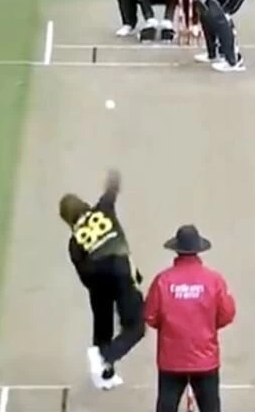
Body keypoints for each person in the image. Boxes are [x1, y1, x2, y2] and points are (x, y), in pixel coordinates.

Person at [58, 169, 145, 390]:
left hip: (97, 280)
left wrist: (99, 289)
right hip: (119, 270)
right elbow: (110, 193)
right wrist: (113, 181)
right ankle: (105, 356)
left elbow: (84, 275)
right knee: (135, 327)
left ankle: (104, 373)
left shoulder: (74, 243)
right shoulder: (103, 210)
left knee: (102, 326)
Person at [144, 225, 236, 412]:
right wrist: (208, 325)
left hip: (172, 359)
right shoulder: (214, 280)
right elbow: (227, 314)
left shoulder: (162, 280)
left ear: (176, 249)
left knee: (166, 407)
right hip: (205, 359)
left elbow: (150, 316)